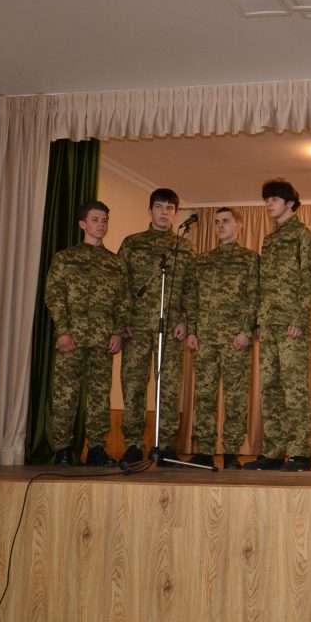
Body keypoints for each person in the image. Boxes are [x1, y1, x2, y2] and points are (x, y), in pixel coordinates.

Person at [245, 178, 311, 472]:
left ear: (290, 203)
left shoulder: (305, 235)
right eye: (267, 199)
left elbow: (309, 279)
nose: (268, 204)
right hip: (270, 324)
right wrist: (258, 321)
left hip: (292, 325)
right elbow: (264, 284)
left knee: (294, 387)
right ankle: (274, 451)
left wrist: (299, 319)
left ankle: (300, 452)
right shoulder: (270, 240)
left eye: (274, 199)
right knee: (270, 387)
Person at [44, 201, 127, 467]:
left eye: (104, 220)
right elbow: (54, 296)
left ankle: (96, 448)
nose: (101, 225)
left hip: (103, 339)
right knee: (66, 394)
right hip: (73, 338)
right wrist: (63, 331)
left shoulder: (115, 262)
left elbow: (122, 301)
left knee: (100, 395)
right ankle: (63, 448)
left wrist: (117, 333)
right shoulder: (65, 258)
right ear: (82, 224)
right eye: (95, 220)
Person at [117, 188, 195, 466]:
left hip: (171, 328)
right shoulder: (132, 243)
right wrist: (123, 321)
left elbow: (190, 288)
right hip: (136, 328)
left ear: (176, 213)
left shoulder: (185, 247)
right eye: (159, 206)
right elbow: (120, 284)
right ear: (149, 210)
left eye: (170, 208)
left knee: (169, 387)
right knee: (134, 385)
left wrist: (186, 320)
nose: (164, 212)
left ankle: (166, 445)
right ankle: (134, 444)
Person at [184, 208, 260, 470]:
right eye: (217, 222)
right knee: (204, 395)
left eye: (226, 221)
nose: (220, 226)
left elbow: (254, 296)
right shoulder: (202, 260)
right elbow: (192, 297)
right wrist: (192, 330)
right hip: (205, 337)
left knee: (235, 397)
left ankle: (231, 451)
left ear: (239, 225)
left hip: (234, 338)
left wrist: (245, 331)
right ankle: (204, 450)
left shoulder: (249, 259)